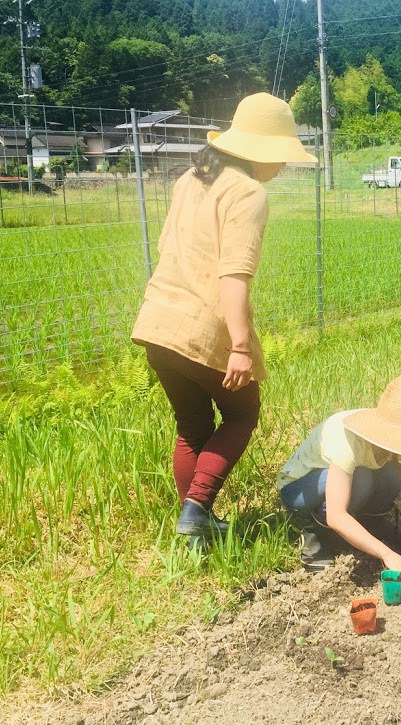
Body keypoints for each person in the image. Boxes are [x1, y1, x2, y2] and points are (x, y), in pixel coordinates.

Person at [131, 93, 316, 545]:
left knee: (192, 426)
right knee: (241, 414)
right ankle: (196, 511)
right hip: (203, 327)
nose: (284, 165)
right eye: (281, 155)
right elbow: (233, 273)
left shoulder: (190, 179)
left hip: (157, 323)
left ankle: (192, 530)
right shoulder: (249, 192)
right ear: (262, 150)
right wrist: (238, 347)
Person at [278, 371, 401, 588]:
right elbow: (336, 515)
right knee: (361, 479)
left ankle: (372, 523)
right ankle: (316, 532)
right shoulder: (347, 439)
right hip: (298, 489)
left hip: (341, 482)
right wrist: (387, 555)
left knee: (392, 473)